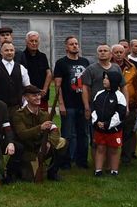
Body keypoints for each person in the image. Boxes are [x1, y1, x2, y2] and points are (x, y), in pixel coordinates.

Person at [11, 86, 65, 182]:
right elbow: (22, 134)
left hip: (41, 147)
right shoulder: (19, 115)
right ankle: (20, 169)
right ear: (26, 98)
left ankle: (53, 172)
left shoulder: (44, 114)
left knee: (62, 142)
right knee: (30, 178)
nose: (38, 97)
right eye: (34, 96)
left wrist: (49, 142)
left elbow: (55, 130)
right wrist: (40, 128)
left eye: (38, 95)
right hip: (28, 151)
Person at [53, 36, 90, 169]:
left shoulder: (85, 62)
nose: (75, 46)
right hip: (68, 104)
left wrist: (87, 105)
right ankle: (66, 161)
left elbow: (88, 84)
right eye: (71, 44)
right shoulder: (61, 63)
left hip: (82, 103)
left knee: (84, 134)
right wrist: (60, 104)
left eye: (76, 43)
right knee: (68, 134)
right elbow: (58, 85)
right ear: (66, 47)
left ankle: (82, 161)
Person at [89, 65, 127, 178]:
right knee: (100, 147)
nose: (104, 80)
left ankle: (114, 170)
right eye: (104, 78)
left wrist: (107, 124)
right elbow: (94, 109)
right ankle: (98, 170)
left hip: (113, 129)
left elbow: (120, 114)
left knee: (114, 149)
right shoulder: (99, 94)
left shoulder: (119, 96)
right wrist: (97, 122)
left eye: (107, 78)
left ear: (113, 81)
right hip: (99, 128)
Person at [112, 44, 137, 165]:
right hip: (112, 104)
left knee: (128, 132)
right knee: (112, 131)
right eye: (116, 52)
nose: (119, 54)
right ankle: (111, 158)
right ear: (112, 54)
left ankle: (126, 159)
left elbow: (136, 85)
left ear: (125, 53)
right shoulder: (108, 66)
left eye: (121, 52)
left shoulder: (132, 67)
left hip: (130, 104)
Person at [0, 42, 31, 110]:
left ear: (14, 52)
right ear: (1, 52)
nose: (9, 52)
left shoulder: (21, 68)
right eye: (6, 50)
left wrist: (25, 104)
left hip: (17, 108)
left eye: (11, 50)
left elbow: (27, 87)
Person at [16, 31, 53, 99]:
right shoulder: (21, 56)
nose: (34, 43)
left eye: (36, 41)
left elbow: (49, 74)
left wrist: (44, 90)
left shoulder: (43, 56)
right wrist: (35, 90)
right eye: (31, 41)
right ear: (26, 42)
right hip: (27, 95)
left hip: (42, 95)